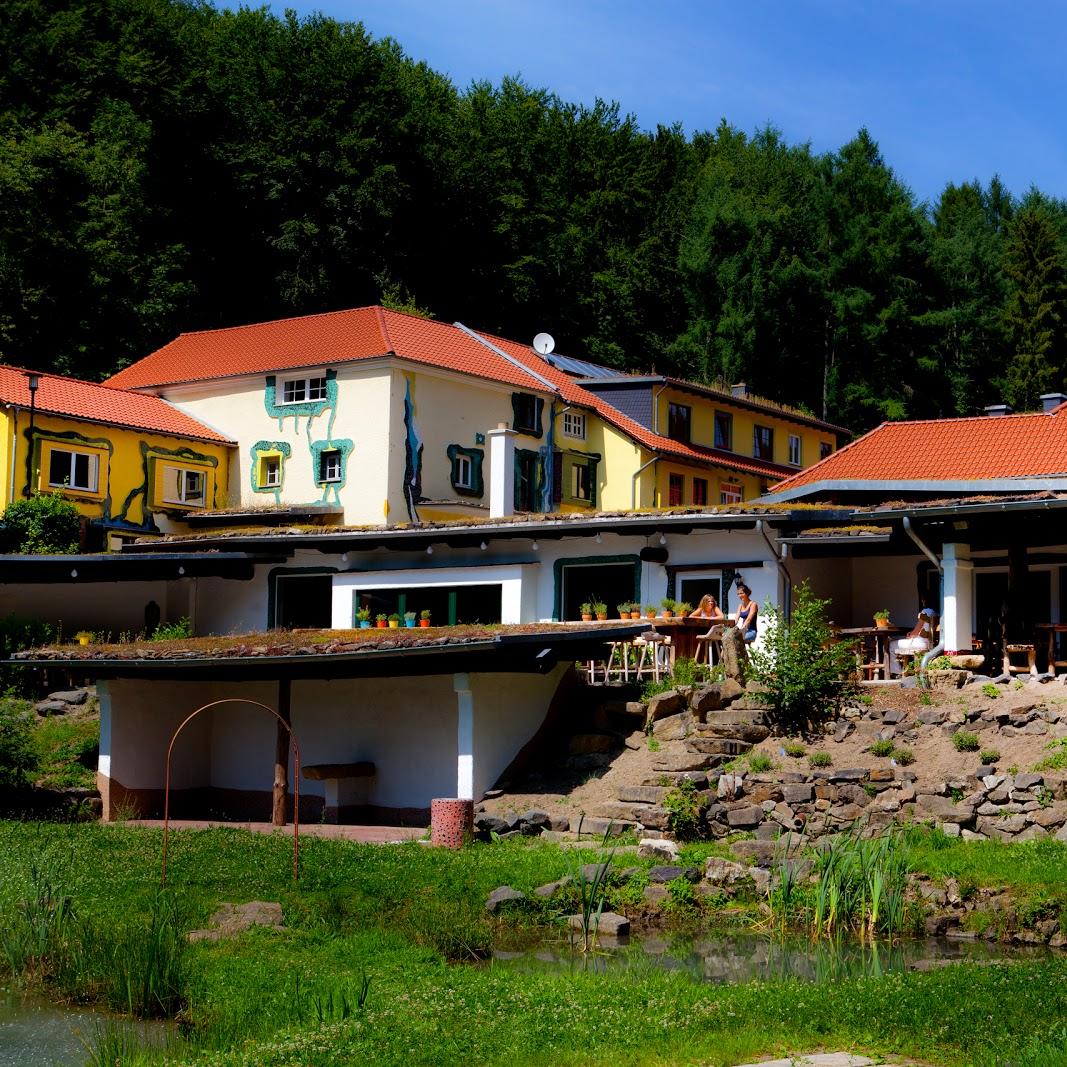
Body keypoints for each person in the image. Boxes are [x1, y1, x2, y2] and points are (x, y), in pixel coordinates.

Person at [891, 601, 938, 675]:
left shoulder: (926, 612)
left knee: (891, 644)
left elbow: (916, 632)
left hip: (919, 643)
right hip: (927, 643)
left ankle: (897, 672)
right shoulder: (936, 613)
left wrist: (910, 635)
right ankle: (900, 671)